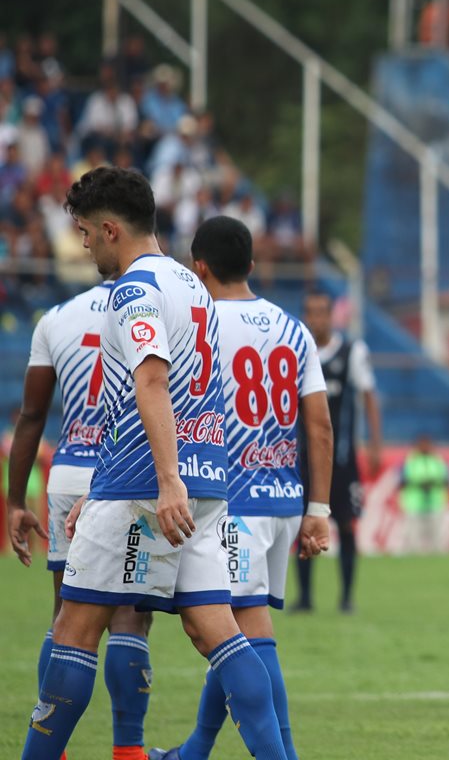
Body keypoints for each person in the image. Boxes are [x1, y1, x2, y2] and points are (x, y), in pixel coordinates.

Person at [20, 166, 289, 759]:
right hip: (207, 477)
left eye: (87, 233)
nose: (84, 245)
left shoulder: (135, 289)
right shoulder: (194, 286)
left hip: (146, 485)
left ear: (112, 229)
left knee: (74, 629)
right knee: (215, 627)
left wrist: (164, 481)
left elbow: (150, 378)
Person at [150, 216, 333, 759]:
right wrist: (317, 508)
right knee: (243, 632)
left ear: (197, 267)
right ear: (252, 265)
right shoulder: (293, 328)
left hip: (233, 501)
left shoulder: (198, 323)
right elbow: (318, 424)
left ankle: (282, 755)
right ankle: (194, 751)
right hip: (283, 498)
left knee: (237, 637)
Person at [7, 276, 158, 760]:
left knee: (65, 618)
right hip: (131, 471)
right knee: (130, 619)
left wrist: (14, 500)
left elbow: (32, 415)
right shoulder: (154, 302)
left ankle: (54, 751)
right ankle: (129, 752)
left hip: (71, 471)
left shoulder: (56, 318)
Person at [293, 290, 382, 613]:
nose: (315, 319)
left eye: (321, 312)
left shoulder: (352, 351)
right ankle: (304, 598)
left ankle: (346, 597)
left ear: (331, 315)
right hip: (301, 459)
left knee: (346, 525)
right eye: (310, 312)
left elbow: (370, 396)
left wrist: (374, 444)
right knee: (303, 523)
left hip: (342, 460)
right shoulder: (297, 349)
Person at [398, 434, 449, 555]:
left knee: (438, 541)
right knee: (413, 541)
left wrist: (432, 483)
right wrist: (419, 483)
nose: (425, 447)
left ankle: (438, 568)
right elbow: (401, 482)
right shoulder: (409, 460)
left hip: (435, 503)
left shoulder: (438, 460)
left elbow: (447, 481)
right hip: (414, 504)